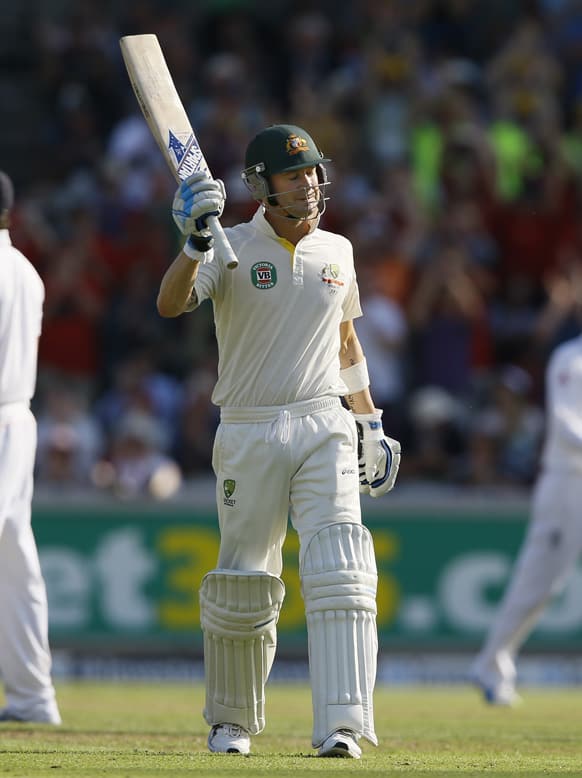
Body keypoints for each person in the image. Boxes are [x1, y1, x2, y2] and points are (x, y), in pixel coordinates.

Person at [157, 124, 401, 758]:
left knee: (343, 566)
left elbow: (347, 342)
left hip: (325, 421)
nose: (311, 183)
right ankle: (232, 723)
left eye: (315, 172)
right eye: (296, 175)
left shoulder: (338, 251)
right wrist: (192, 244)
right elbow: (169, 303)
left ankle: (343, 726)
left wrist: (369, 421)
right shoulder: (227, 246)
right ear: (263, 186)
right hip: (249, 425)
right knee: (245, 577)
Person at [470, 330, 582, 705]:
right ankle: (491, 664)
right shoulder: (570, 357)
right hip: (570, 481)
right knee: (541, 582)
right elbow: (565, 424)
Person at [0, 171, 61, 725]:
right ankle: (32, 695)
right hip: (18, 419)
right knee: (15, 561)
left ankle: (33, 696)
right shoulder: (25, 270)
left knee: (14, 558)